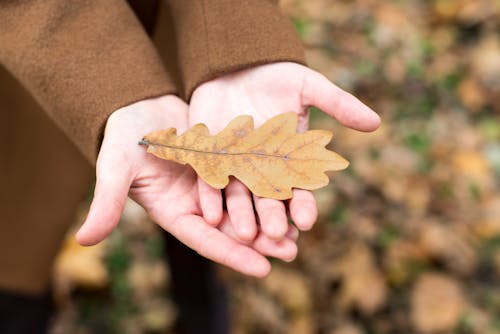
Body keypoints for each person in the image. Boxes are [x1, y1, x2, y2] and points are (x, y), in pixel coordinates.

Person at [0, 0, 380, 333]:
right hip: (31, 59)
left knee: (208, 217)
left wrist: (230, 32)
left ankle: (202, 309)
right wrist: (115, 87)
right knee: (17, 249)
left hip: (184, 46)